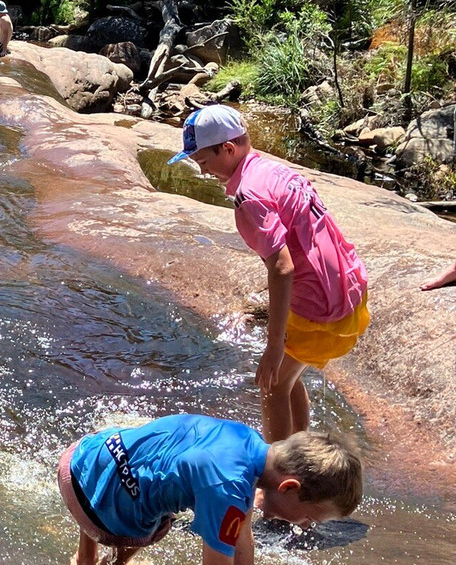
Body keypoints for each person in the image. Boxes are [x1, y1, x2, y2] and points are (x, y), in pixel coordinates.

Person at [169, 105, 371, 442]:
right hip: (349, 288)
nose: (202, 172)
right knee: (288, 379)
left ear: (228, 149)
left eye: (203, 162)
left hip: (320, 306)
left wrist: (274, 344)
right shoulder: (273, 170)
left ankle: (278, 479)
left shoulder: (251, 193)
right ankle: (301, 455)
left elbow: (282, 267)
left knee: (273, 381)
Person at [58, 413, 362, 565]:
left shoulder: (246, 441)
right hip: (99, 514)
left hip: (81, 459)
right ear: (289, 487)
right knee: (162, 517)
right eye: (312, 518)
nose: (306, 524)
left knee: (150, 471)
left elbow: (242, 537)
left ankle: (85, 556)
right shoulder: (228, 488)